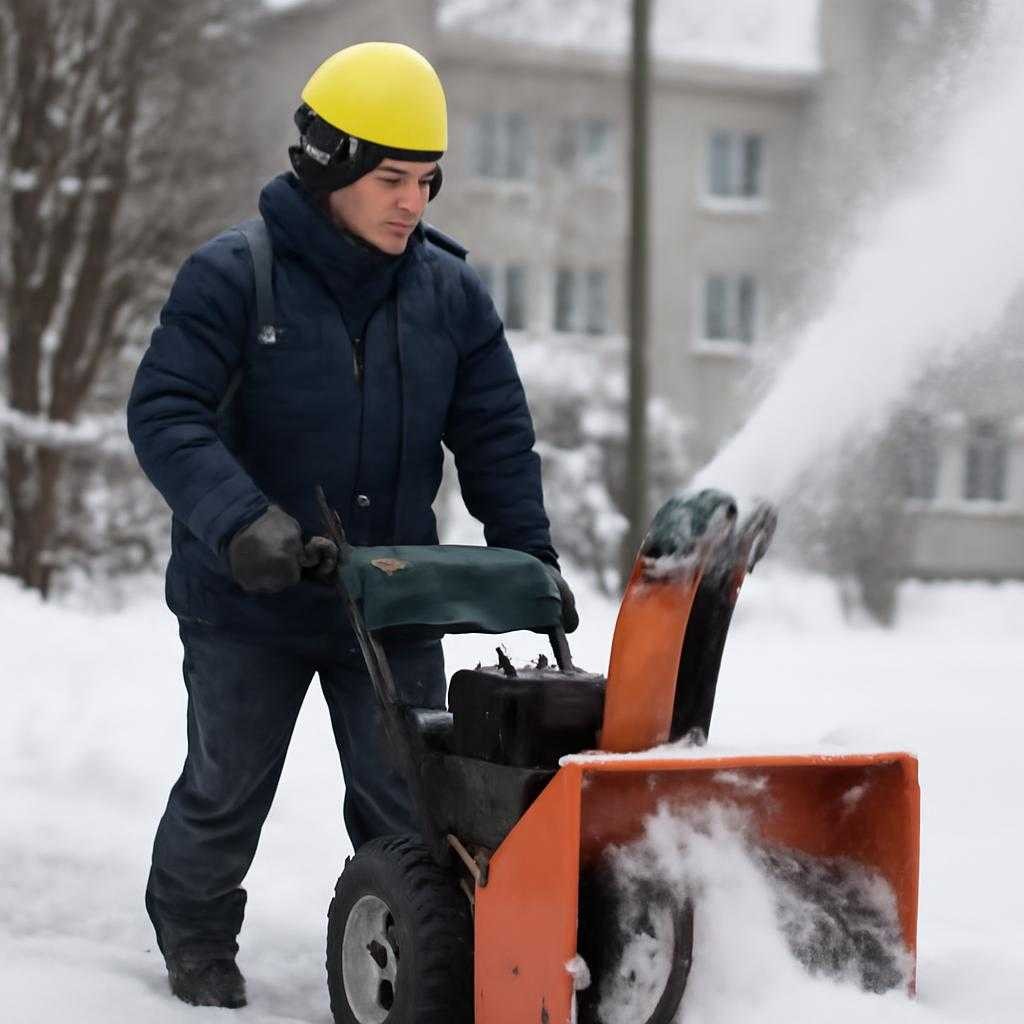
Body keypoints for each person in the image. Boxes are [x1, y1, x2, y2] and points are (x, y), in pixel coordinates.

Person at [127, 41, 576, 1010]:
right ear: (327, 166)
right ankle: (196, 933)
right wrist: (243, 520)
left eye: (425, 180)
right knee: (226, 785)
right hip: (249, 597)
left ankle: (416, 953)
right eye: (389, 177)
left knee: (407, 802)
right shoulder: (232, 277)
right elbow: (165, 412)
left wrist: (527, 556)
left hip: (390, 596)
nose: (412, 202)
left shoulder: (449, 295)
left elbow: (497, 436)